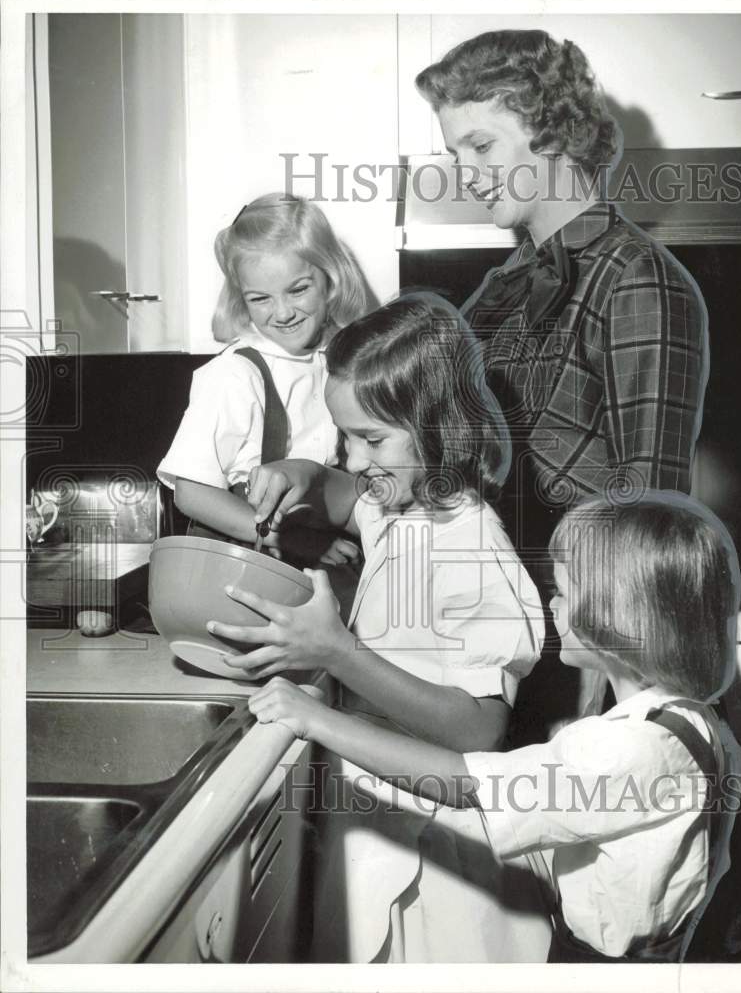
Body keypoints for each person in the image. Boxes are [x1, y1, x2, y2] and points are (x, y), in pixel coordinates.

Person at [245, 492, 741, 963]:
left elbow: (461, 783)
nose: (552, 606)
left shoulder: (628, 747)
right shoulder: (693, 724)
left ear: (617, 614)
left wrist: (314, 718)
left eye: (563, 592)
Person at [207, 295, 551, 962]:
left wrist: (339, 653)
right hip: (384, 833)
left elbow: (479, 731)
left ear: (440, 427)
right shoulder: (401, 505)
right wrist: (298, 472)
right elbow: (343, 495)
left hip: (443, 875)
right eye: (345, 438)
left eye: (371, 439)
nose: (356, 459)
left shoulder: (473, 550)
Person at [415, 29, 710, 732]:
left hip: (600, 670)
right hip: (506, 648)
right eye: (456, 154)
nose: (466, 172)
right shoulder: (497, 291)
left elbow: (648, 533)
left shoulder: (636, 278)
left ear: (550, 135)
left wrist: (597, 720)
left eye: (481, 147)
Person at [157, 192, 369, 566]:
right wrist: (293, 539)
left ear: (331, 280)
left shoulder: (340, 361)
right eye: (261, 299)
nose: (282, 312)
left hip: (323, 546)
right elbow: (190, 492)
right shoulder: (236, 373)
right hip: (248, 555)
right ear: (241, 299)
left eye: (298, 289)